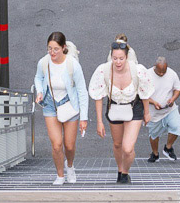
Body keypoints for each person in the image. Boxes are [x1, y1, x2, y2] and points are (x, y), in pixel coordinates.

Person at [90, 40, 154, 184]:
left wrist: (147, 112)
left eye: (121, 58)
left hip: (134, 107)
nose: (118, 62)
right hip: (115, 108)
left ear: (127, 57)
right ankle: (120, 170)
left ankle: (126, 172)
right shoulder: (104, 70)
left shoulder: (137, 70)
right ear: (111, 57)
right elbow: (98, 96)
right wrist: (99, 122)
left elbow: (144, 92)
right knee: (117, 144)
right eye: (115, 58)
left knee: (127, 148)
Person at [33, 32, 88, 185]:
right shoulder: (44, 62)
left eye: (56, 49)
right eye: (49, 48)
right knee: (56, 144)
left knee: (69, 146)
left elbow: (82, 91)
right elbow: (38, 77)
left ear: (64, 48)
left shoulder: (72, 65)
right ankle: (60, 175)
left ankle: (69, 166)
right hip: (51, 104)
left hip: (69, 104)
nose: (52, 53)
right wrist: (40, 91)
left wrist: (84, 117)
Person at [145, 56, 180, 163]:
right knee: (154, 135)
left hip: (169, 109)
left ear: (167, 67)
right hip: (154, 111)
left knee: (176, 126)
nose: (161, 74)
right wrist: (153, 102)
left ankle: (168, 147)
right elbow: (141, 94)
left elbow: (177, 89)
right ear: (155, 67)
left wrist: (173, 99)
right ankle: (155, 153)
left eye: (163, 71)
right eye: (159, 71)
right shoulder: (147, 75)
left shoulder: (172, 74)